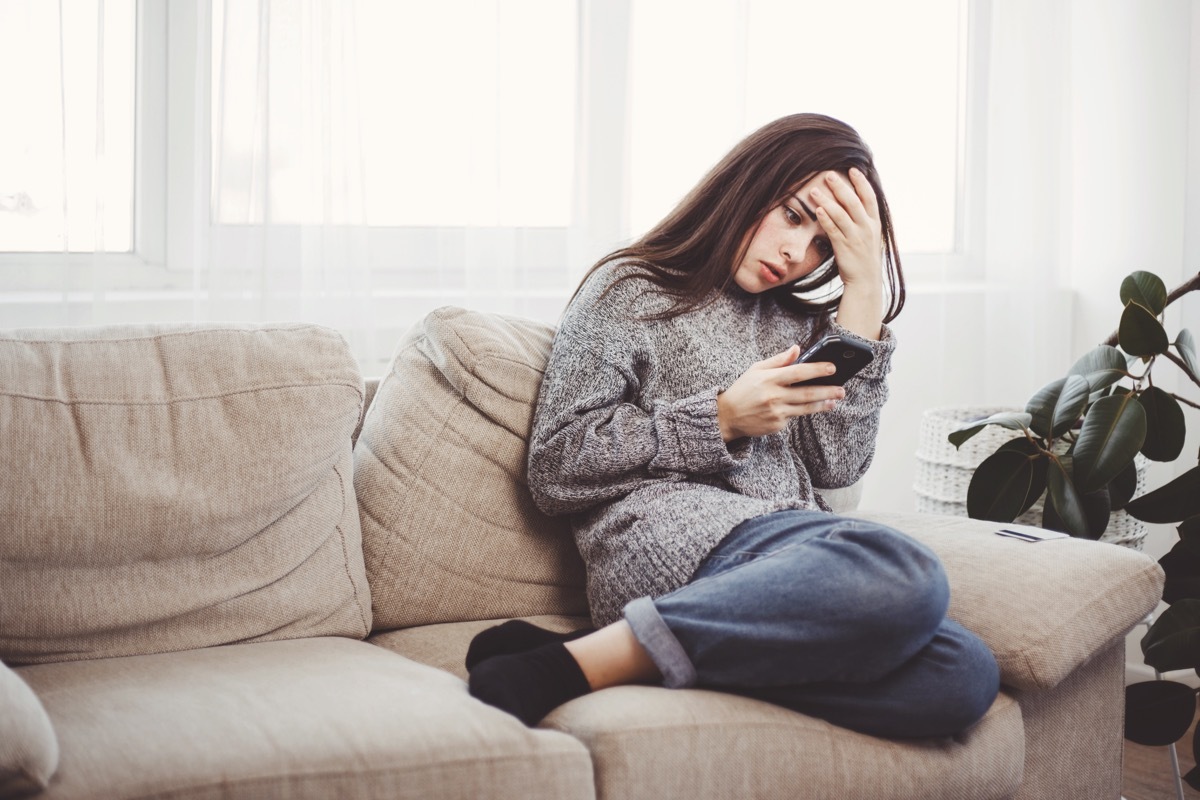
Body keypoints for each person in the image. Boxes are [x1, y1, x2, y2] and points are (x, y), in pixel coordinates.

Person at [465, 113, 999, 739]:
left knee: (963, 674)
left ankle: (642, 649)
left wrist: (863, 297)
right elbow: (555, 468)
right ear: (749, 184)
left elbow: (837, 468)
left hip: (784, 555)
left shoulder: (797, 324)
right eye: (794, 216)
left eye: (824, 246)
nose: (796, 255)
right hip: (673, 541)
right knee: (903, 570)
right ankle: (572, 666)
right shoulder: (630, 289)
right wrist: (720, 419)